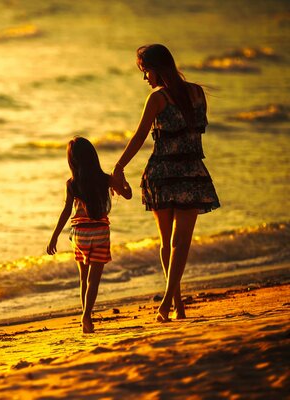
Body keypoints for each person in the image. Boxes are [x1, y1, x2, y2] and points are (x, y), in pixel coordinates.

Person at [111, 44, 220, 322]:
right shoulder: (197, 92)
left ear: (157, 69)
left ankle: (166, 303)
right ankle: (177, 304)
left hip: (165, 172)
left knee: (172, 242)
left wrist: (119, 166)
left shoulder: (158, 98)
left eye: (145, 71)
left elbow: (138, 136)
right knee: (177, 242)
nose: (145, 78)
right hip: (190, 171)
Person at [47, 136, 131, 334]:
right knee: (94, 279)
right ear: (93, 156)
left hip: (79, 235)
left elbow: (66, 211)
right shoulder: (106, 179)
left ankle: (85, 316)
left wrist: (54, 236)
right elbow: (127, 195)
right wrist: (124, 182)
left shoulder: (72, 183)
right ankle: (86, 315)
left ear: (72, 161)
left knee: (83, 279)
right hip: (100, 232)